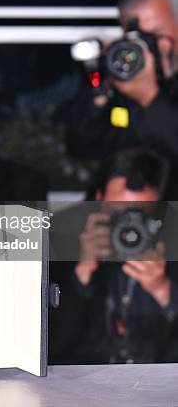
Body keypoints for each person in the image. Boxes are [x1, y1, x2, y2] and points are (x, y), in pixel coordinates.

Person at [49, 148, 178, 364]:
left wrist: (164, 291)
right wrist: (81, 273)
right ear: (99, 199)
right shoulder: (62, 237)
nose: (127, 226)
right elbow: (51, 344)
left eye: (138, 215)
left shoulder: (170, 243)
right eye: (117, 212)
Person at [67, 0, 178, 164]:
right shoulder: (128, 79)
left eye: (156, 34)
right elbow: (79, 146)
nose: (149, 47)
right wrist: (104, 84)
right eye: (138, 38)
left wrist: (149, 97)